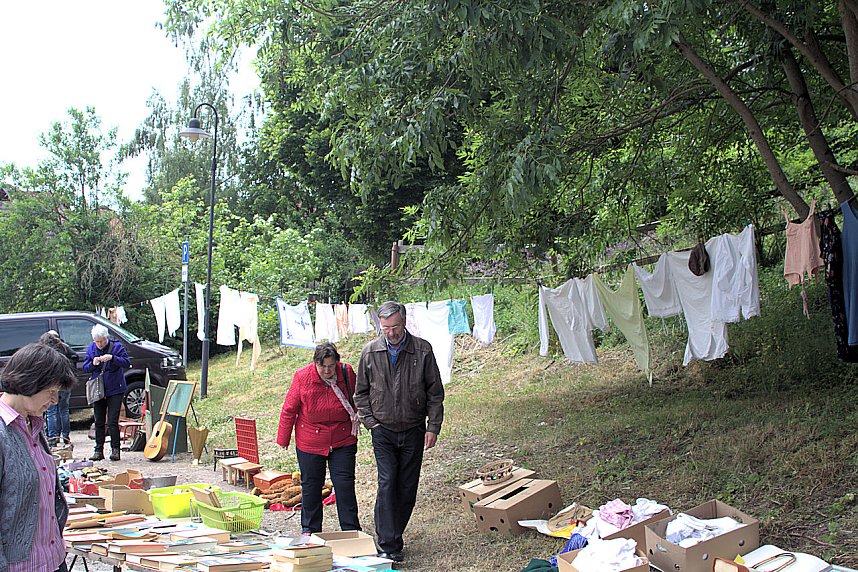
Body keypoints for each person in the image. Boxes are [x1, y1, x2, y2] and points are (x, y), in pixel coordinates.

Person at [354, 301, 445, 562]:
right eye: (385, 328)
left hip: (414, 429)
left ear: (404, 322)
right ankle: (387, 544)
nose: (391, 333)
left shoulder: (422, 349)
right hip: (382, 430)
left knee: (406, 487)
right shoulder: (370, 352)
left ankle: (395, 534)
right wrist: (371, 422)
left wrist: (433, 427)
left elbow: (435, 393)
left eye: (395, 327)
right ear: (379, 327)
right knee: (386, 483)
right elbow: (360, 393)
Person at [0, 342, 76, 572]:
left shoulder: (33, 424)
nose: (54, 400)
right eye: (51, 392)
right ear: (29, 382)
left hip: (52, 560)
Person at [276, 342, 361, 535]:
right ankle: (310, 531)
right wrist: (283, 438)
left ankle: (351, 530)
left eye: (331, 366)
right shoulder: (302, 377)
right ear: (315, 363)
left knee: (344, 485)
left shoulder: (346, 372)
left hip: (343, 438)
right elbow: (289, 409)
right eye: (323, 366)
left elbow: (359, 397)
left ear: (337, 363)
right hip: (310, 441)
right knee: (311, 486)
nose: (327, 371)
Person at [83, 324, 130, 461]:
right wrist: (93, 363)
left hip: (115, 388)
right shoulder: (91, 349)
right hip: (98, 389)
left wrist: (112, 358)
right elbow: (85, 368)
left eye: (102, 341)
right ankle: (98, 450)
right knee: (99, 421)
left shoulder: (117, 347)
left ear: (106, 337)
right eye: (97, 341)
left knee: (112, 421)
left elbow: (126, 362)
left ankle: (116, 450)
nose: (99, 344)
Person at [40, 330, 79, 448]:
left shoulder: (45, 350)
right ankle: (66, 436)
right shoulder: (64, 347)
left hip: (52, 383)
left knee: (51, 411)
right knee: (64, 410)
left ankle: (53, 437)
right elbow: (75, 356)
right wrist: (69, 369)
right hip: (65, 383)